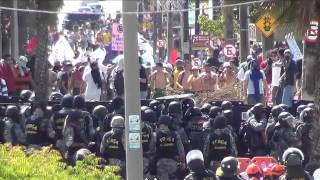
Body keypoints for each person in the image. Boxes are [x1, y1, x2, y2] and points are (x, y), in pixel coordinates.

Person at [154, 115, 185, 180]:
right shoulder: (175, 134)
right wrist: (182, 162)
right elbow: (181, 150)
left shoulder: (156, 135)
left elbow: (153, 150)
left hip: (160, 164)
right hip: (173, 163)